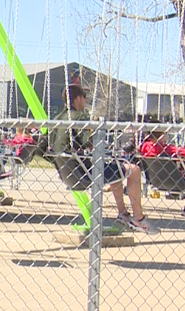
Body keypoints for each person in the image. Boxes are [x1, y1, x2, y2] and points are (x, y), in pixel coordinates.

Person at [50, 85, 154, 234]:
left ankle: (123, 214)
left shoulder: (57, 119)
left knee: (116, 174)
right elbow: (89, 141)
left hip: (67, 175)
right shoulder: (79, 117)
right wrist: (96, 126)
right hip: (86, 174)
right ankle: (139, 217)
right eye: (84, 98)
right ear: (78, 99)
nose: (86, 101)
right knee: (134, 170)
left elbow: (45, 148)